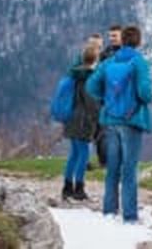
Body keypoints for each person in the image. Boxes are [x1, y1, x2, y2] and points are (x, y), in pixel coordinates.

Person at [86, 25, 152, 223]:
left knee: (112, 168)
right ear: (139, 42)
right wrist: (149, 95)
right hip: (131, 120)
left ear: (122, 40)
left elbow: (91, 86)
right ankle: (130, 216)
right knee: (129, 169)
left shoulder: (109, 61)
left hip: (110, 120)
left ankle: (109, 211)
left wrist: (107, 99)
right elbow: (145, 94)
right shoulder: (139, 62)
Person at [62, 41, 101, 201]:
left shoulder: (76, 74)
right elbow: (91, 103)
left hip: (72, 117)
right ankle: (79, 188)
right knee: (83, 154)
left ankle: (67, 187)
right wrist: (100, 117)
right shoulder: (89, 78)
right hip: (83, 121)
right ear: (95, 59)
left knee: (74, 154)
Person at [95, 25, 123, 166]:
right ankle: (105, 161)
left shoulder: (127, 54)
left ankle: (116, 160)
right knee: (103, 130)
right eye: (110, 36)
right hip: (106, 98)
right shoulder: (105, 55)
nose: (112, 39)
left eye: (115, 36)